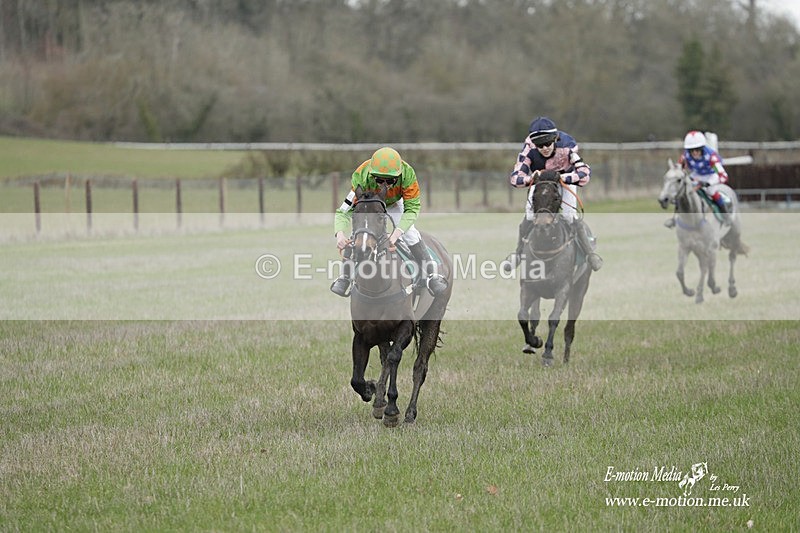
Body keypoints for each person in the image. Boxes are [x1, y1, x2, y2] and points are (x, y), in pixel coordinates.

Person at [330, 146, 448, 297]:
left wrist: (395, 235)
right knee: (358, 235)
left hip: (394, 204)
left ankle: (432, 275)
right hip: (370, 203)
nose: (384, 184)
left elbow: (412, 209)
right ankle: (345, 277)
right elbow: (343, 211)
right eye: (379, 180)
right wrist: (339, 234)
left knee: (410, 234)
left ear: (399, 175)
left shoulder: (408, 175)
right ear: (372, 174)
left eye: (391, 180)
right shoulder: (361, 176)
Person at [504, 116, 603, 272]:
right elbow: (515, 178)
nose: (544, 148)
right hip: (541, 182)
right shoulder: (528, 149)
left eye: (548, 143)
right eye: (539, 145)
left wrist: (564, 178)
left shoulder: (568, 146)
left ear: (555, 139)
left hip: (564, 181)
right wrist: (531, 178)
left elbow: (585, 174)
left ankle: (590, 254)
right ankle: (518, 254)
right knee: (529, 216)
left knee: (569, 216)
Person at [665, 130, 731, 228]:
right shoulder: (685, 156)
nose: (694, 153)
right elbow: (679, 169)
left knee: (711, 192)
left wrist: (708, 183)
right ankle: (674, 218)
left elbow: (723, 176)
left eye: (697, 149)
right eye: (691, 150)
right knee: (683, 191)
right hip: (697, 174)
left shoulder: (712, 157)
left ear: (702, 148)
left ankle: (726, 216)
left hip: (711, 175)